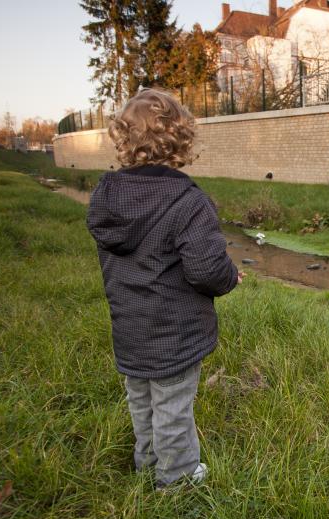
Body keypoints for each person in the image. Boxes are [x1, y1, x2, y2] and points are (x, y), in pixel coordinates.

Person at [87, 88, 241, 490]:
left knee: (141, 400)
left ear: (123, 141)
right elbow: (207, 268)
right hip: (174, 332)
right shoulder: (187, 201)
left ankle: (147, 461)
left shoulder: (107, 197)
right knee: (172, 406)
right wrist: (229, 276)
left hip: (130, 330)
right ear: (181, 143)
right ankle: (176, 479)